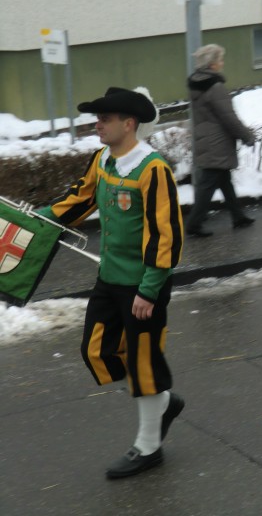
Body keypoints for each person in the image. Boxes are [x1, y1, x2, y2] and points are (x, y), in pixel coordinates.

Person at [38, 87, 185, 478]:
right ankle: (163, 401)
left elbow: (166, 235)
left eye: (104, 119)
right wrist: (36, 219)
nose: (97, 124)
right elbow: (80, 199)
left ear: (129, 124)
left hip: (143, 285)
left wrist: (149, 289)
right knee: (97, 351)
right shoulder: (103, 159)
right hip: (109, 276)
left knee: (142, 364)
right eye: (96, 118)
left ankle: (148, 446)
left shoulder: (153, 169)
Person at [184, 44, 256, 237]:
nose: (222, 63)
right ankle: (193, 224)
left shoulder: (197, 84)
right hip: (217, 143)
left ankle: (238, 216)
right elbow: (228, 117)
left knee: (224, 180)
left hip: (207, 140)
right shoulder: (215, 87)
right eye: (220, 60)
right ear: (213, 63)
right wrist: (247, 136)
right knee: (208, 185)